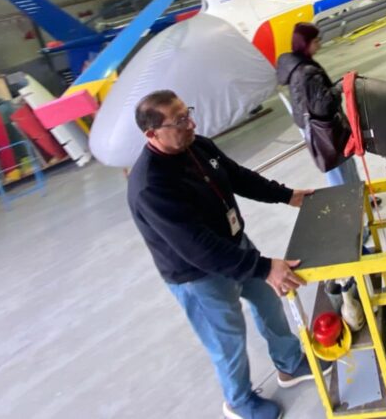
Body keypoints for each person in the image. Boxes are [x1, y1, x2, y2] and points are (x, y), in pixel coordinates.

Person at [126, 90, 327, 419]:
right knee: (227, 339)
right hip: (198, 274)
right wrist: (264, 267)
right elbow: (197, 247)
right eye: (179, 121)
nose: (191, 124)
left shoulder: (196, 145)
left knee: (268, 303)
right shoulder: (151, 185)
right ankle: (238, 402)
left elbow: (237, 177)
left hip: (234, 246)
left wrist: (286, 195)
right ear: (152, 134)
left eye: (188, 113)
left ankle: (290, 363)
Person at [276, 23, 359, 186]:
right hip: (323, 130)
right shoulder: (306, 71)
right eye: (315, 41)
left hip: (312, 127)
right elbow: (324, 105)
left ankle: (354, 193)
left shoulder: (296, 66)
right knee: (341, 167)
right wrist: (341, 86)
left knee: (338, 167)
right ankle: (351, 196)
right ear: (305, 43)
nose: (319, 45)